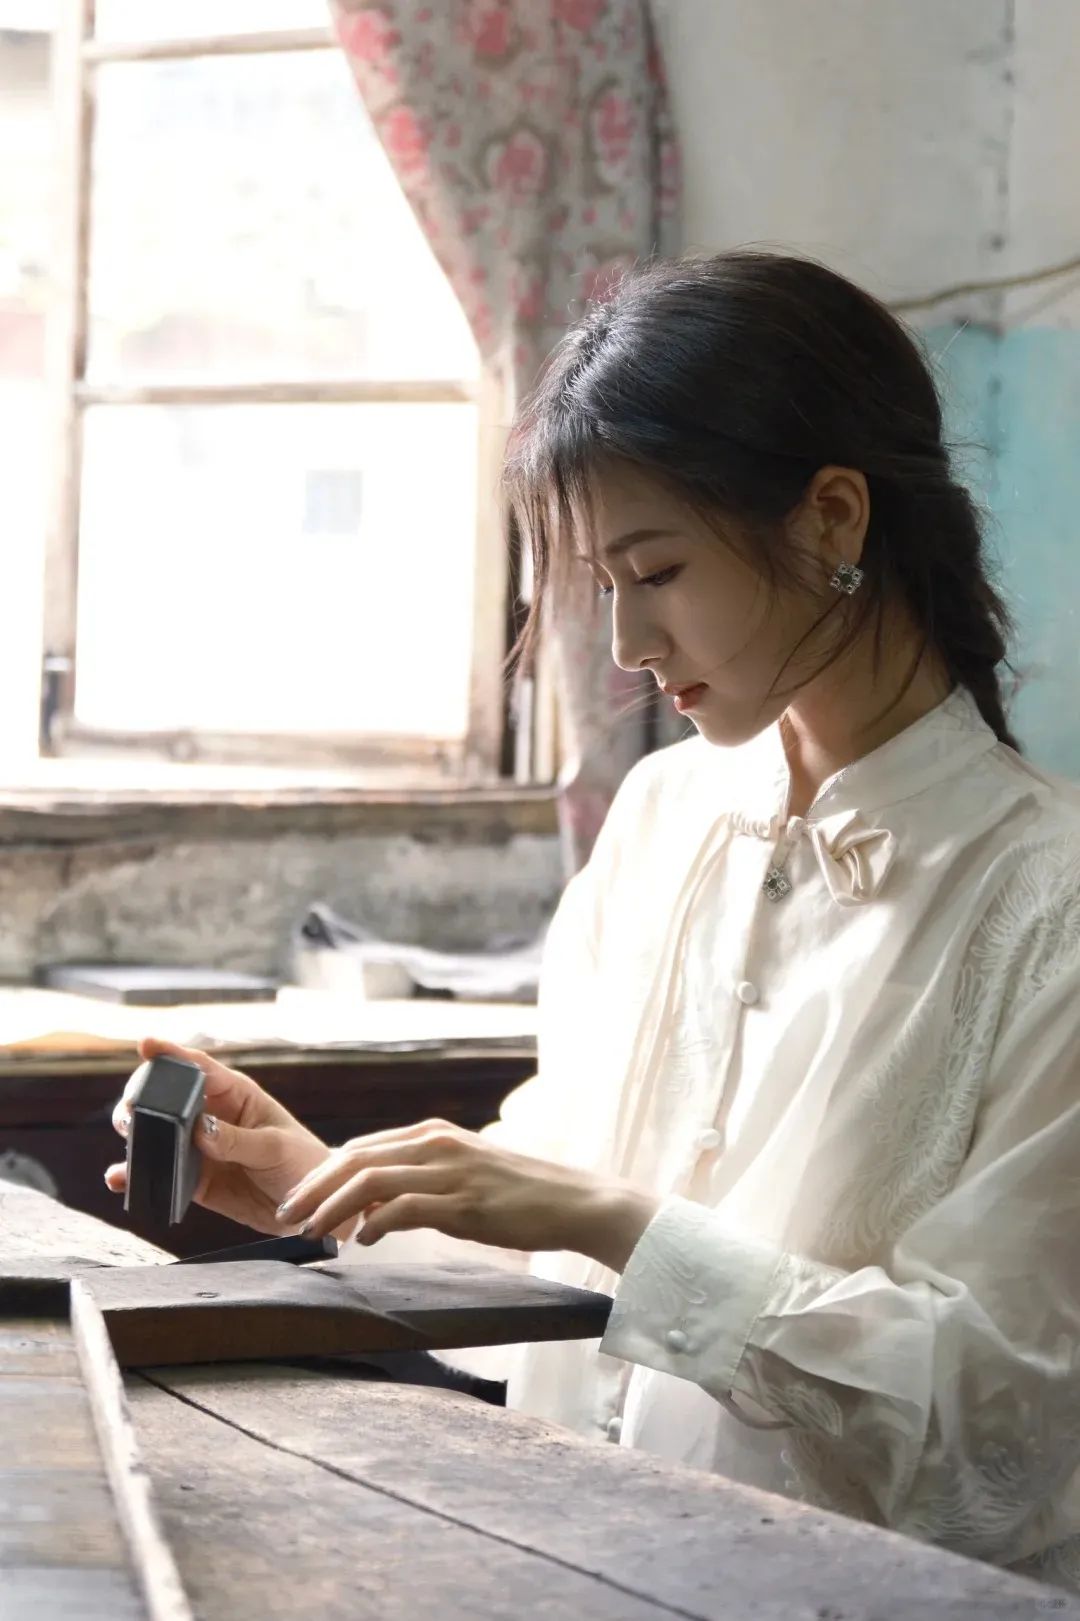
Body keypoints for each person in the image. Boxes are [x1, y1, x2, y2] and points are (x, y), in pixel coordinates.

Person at [107, 251, 1080, 1592]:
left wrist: (623, 1224)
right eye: (600, 583)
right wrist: (325, 1186)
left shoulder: (1048, 899)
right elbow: (550, 1204)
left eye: (657, 569)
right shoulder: (665, 815)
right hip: (577, 1563)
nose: (625, 642)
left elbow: (1002, 1419)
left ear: (833, 519)